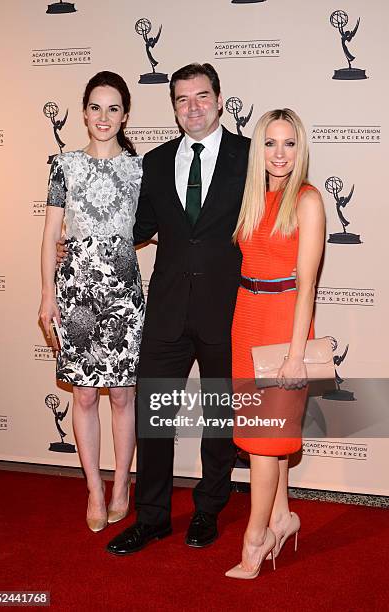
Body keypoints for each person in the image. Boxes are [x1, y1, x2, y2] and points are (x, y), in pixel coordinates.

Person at [104, 63, 251, 554]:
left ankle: (208, 509)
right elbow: (139, 226)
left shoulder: (249, 157)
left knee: (218, 417)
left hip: (226, 309)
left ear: (220, 99)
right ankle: (153, 517)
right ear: (173, 107)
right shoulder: (156, 159)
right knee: (155, 417)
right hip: (166, 309)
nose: (193, 107)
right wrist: (87, 243)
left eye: (202, 96)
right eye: (183, 99)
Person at [39, 71, 145, 533]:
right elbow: (49, 236)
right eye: (96, 107)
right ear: (83, 113)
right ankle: (95, 489)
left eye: (114, 108)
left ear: (125, 115)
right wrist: (47, 294)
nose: (104, 117)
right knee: (83, 394)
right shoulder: (63, 165)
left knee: (122, 394)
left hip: (123, 291)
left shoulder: (140, 169)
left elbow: (157, 226)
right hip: (76, 290)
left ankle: (122, 484)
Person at [226, 109, 325, 579]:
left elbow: (307, 284)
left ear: (299, 148)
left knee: (264, 442)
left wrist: (294, 354)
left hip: (284, 324)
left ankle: (256, 537)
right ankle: (284, 517)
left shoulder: (307, 200)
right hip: (247, 320)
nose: (279, 153)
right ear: (258, 149)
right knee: (266, 438)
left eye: (288, 144)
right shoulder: (252, 198)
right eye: (270, 143)